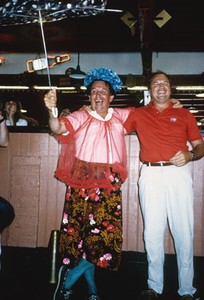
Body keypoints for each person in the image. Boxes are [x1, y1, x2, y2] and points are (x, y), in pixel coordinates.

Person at [44, 67, 134, 300]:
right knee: (83, 236)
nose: (98, 95)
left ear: (111, 97)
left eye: (103, 91)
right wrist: (51, 110)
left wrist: (169, 101)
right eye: (94, 91)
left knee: (103, 238)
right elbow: (57, 127)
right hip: (82, 182)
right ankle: (92, 288)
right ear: (90, 96)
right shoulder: (81, 115)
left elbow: (146, 115)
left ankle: (70, 277)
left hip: (109, 183)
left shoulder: (121, 116)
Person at [124, 71, 204, 300]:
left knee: (184, 231)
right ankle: (154, 286)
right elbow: (114, 128)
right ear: (150, 90)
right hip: (149, 174)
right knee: (152, 233)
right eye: (156, 84)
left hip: (178, 174)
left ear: (171, 88)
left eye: (165, 84)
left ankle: (187, 289)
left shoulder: (184, 114)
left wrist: (190, 155)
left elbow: (200, 146)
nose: (161, 87)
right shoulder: (138, 114)